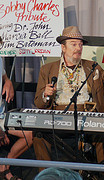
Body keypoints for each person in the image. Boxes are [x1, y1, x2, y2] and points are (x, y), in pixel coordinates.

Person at [33, 26, 104, 179]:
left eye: (80, 44)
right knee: (39, 135)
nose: (78, 48)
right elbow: (39, 102)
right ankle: (46, 176)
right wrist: (46, 94)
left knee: (103, 134)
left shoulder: (92, 67)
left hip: (87, 114)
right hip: (58, 115)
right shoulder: (47, 69)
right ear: (63, 47)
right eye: (73, 44)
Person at [0, 37, 33, 180]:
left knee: (30, 134)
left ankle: (4, 167)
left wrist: (7, 81)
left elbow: (3, 75)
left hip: (2, 116)